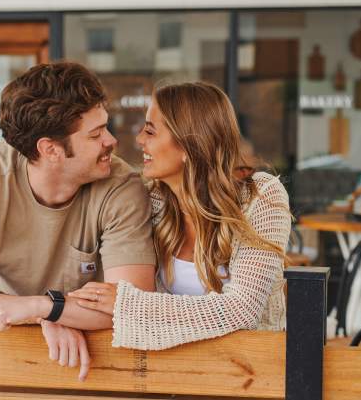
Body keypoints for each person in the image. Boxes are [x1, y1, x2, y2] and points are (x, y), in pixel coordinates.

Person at [0, 62, 156, 380]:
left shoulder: (122, 186)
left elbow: (133, 304)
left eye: (105, 126)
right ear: (50, 149)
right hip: (9, 348)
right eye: (95, 135)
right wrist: (42, 315)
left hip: (99, 359)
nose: (111, 141)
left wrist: (44, 308)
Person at [67, 82, 291, 350]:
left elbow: (241, 310)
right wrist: (54, 318)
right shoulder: (150, 200)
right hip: (172, 372)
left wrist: (128, 304)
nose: (139, 139)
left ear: (188, 145)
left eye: (150, 130)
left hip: (251, 373)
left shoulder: (261, 196)